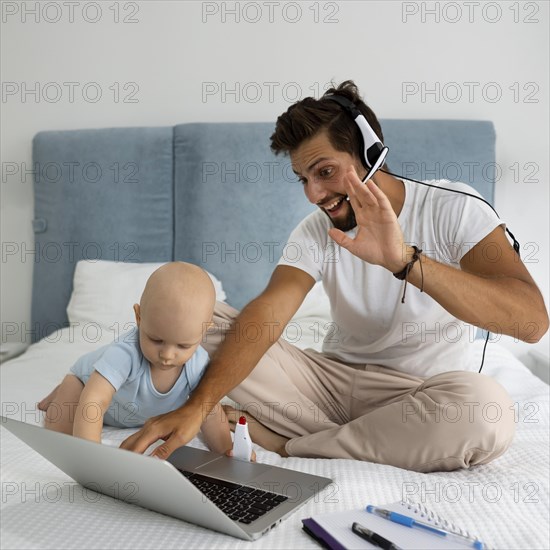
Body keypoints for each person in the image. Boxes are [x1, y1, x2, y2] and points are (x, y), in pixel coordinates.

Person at [120, 81, 549, 472]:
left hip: (418, 396)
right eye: (303, 179)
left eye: (324, 172)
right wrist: (201, 405)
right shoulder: (314, 232)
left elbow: (530, 321)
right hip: (326, 388)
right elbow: (267, 314)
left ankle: (291, 445)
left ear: (371, 153)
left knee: (485, 411)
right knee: (193, 316)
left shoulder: (455, 209)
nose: (313, 194)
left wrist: (404, 260)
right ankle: (350, 437)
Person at [38, 262, 241, 457]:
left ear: (204, 331)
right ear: (139, 317)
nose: (167, 355)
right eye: (156, 339)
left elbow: (208, 410)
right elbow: (94, 401)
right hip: (85, 383)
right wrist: (93, 455)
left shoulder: (197, 363)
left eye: (183, 346)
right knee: (59, 433)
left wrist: (226, 451)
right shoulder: (125, 353)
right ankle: (60, 391)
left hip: (132, 412)